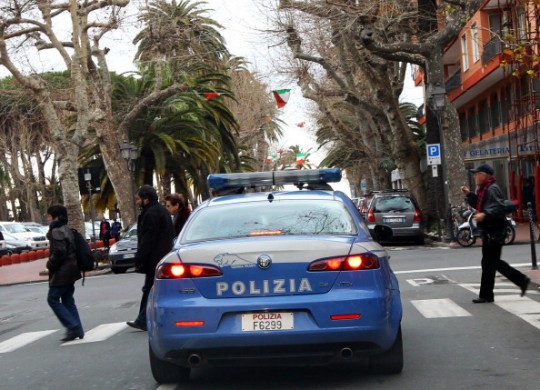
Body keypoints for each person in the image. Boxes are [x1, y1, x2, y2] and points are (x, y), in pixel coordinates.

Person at [460, 163, 530, 303]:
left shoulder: (492, 189)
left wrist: (484, 215)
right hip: (490, 231)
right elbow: (481, 205)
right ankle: (488, 294)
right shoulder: (484, 189)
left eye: (476, 174)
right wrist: (469, 195)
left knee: (490, 262)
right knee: (489, 262)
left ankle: (520, 281)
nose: (474, 176)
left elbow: (498, 208)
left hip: (495, 231)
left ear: (483, 176)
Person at [127, 185, 175, 331]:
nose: (136, 202)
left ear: (146, 199)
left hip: (154, 258)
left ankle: (143, 319)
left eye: (138, 199)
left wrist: (140, 258)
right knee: (151, 288)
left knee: (149, 289)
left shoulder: (150, 214)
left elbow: (148, 239)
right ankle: (143, 319)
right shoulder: (161, 211)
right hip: (163, 256)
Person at [46, 205, 84, 341]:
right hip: (71, 270)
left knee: (52, 298)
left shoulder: (57, 231)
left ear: (55, 217)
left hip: (62, 272)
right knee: (68, 299)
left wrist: (49, 264)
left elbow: (59, 252)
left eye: (49, 216)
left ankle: (73, 326)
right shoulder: (67, 229)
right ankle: (77, 329)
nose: (48, 219)